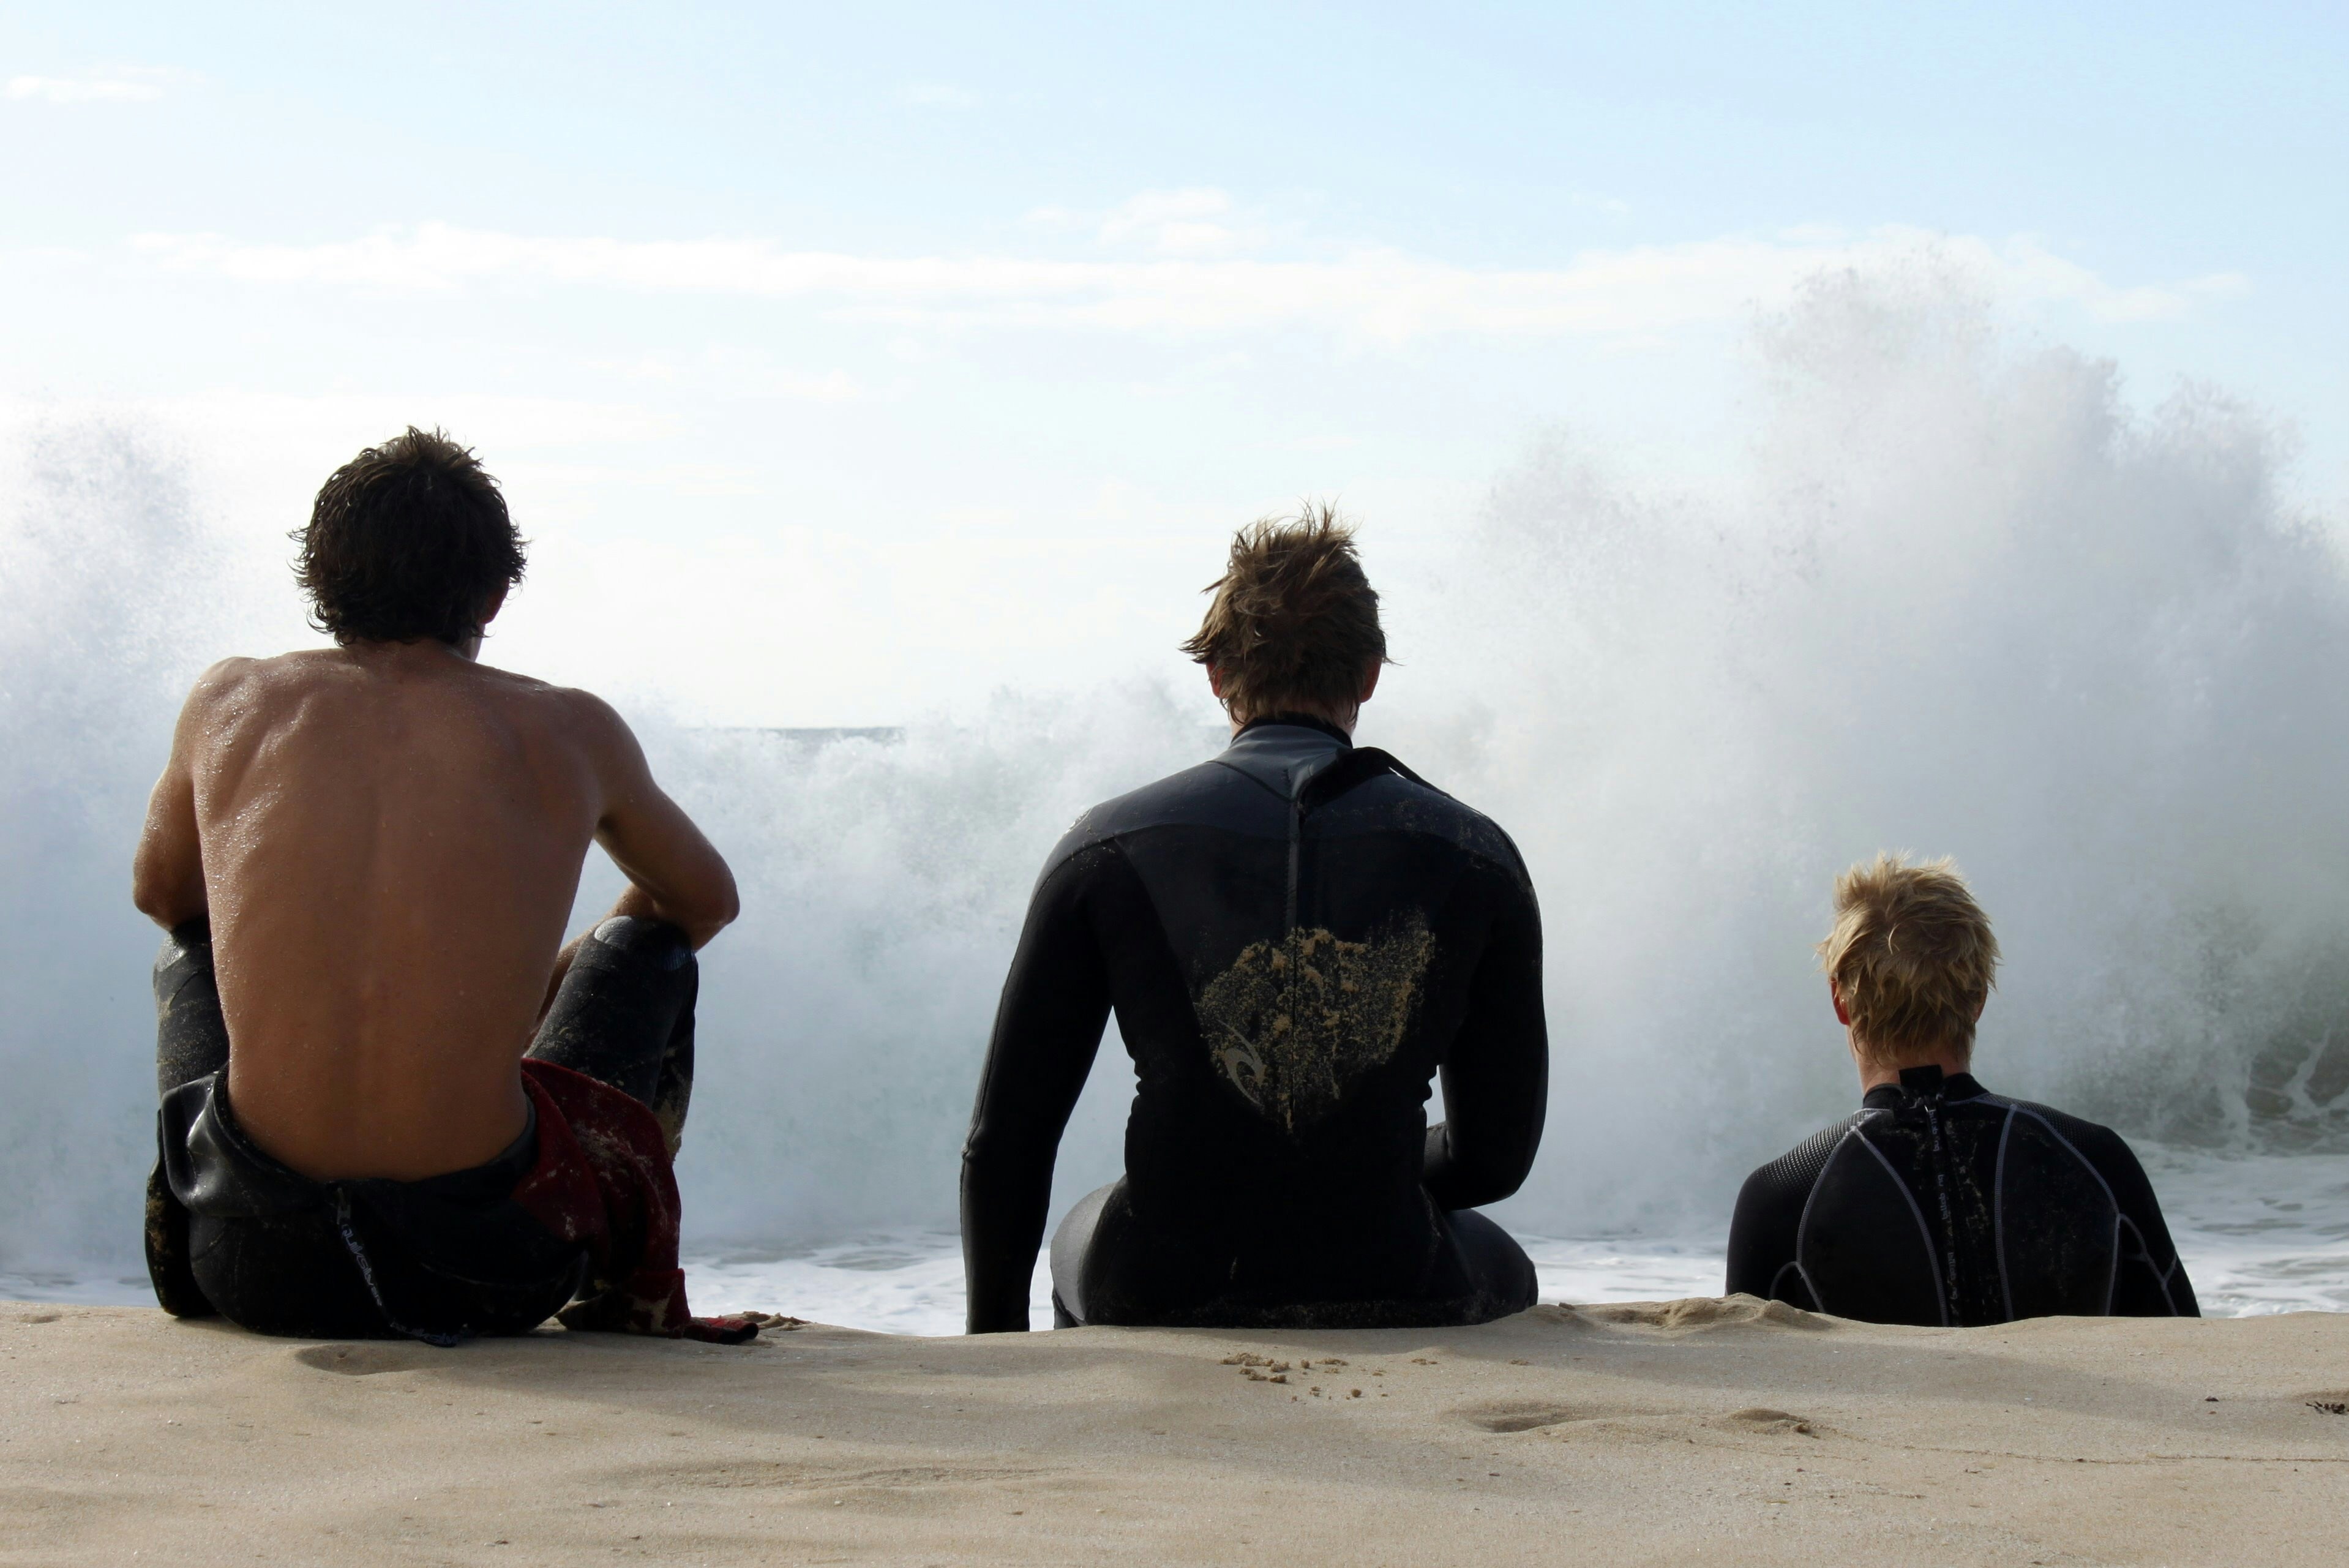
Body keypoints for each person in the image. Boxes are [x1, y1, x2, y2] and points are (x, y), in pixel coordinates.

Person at [134, 427, 758, 1345]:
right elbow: (702, 902)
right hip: (488, 1271)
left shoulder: (231, 701)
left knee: (188, 947)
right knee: (647, 948)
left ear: (320, 580)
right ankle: (627, 1294)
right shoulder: (568, 729)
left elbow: (165, 894)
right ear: (496, 594)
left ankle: (176, 1215)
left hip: (252, 1268)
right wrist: (564, 965)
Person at [961, 509, 1548, 1332]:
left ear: (1217, 673)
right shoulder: (1473, 852)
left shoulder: (1104, 847)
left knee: (1082, 1226)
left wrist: (989, 1345)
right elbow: (1495, 1158)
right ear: (1371, 673)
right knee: (1502, 1260)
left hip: (1159, 1286)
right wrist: (1346, 1166)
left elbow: (1006, 1143)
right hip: (1395, 1282)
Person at [1726, 853, 2198, 1325]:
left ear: (1840, 1001)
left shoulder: (1782, 1194)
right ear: (1977, 999)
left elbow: (1750, 1382)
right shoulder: (2095, 1159)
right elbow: (2185, 1356)